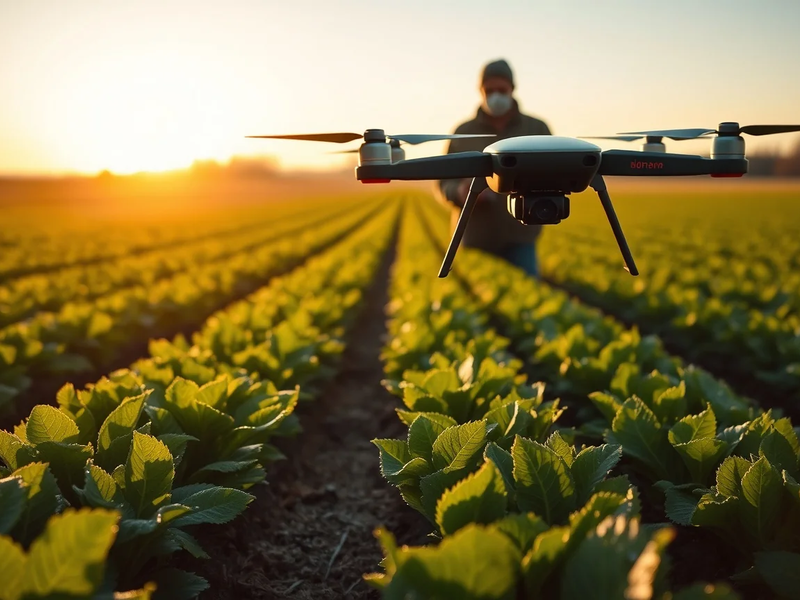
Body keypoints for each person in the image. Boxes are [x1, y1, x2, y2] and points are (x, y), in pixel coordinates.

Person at [437, 59, 552, 277]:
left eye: (501, 89)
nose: (495, 96)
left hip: (521, 237)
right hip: (474, 238)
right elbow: (443, 183)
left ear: (512, 89)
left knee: (525, 298)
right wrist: (461, 192)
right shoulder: (462, 133)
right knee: (477, 303)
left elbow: (555, 176)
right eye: (489, 90)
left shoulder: (537, 129)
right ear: (480, 90)